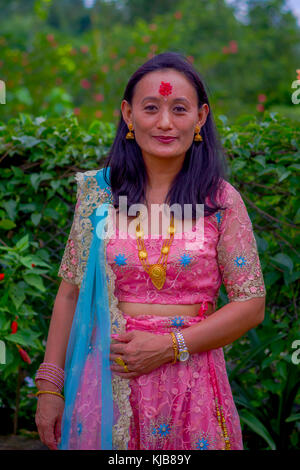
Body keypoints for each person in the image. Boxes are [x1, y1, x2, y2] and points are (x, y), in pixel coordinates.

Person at [35, 51, 266, 451]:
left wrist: (170, 346)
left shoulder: (220, 200)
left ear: (200, 117)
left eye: (179, 109)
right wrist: (50, 387)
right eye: (151, 107)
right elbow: (70, 293)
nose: (164, 122)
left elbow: (251, 303)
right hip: (105, 383)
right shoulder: (99, 196)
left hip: (191, 385)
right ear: (128, 114)